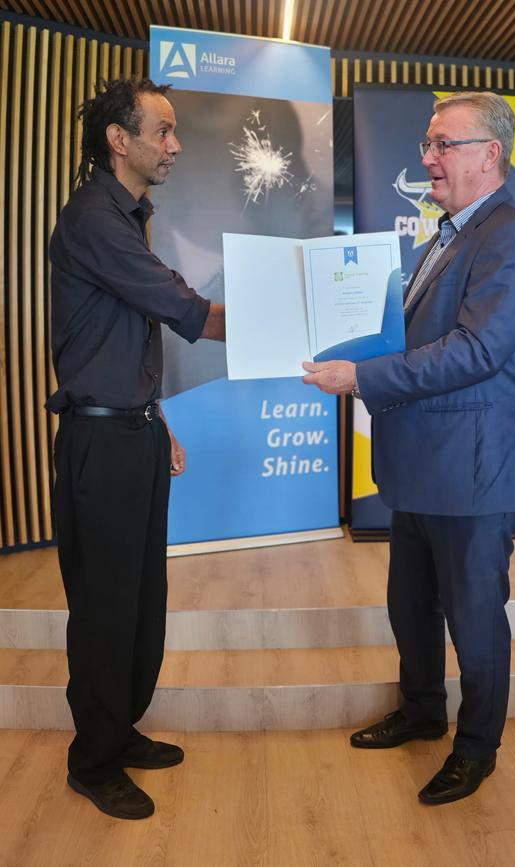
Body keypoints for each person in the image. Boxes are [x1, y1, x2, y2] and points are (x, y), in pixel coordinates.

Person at [303, 91, 515, 805]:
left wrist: (363, 375)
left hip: (473, 471)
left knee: (474, 620)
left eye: (444, 144)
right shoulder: (445, 236)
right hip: (420, 466)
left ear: (490, 155)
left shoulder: (511, 237)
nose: (427, 158)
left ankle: (477, 747)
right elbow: (412, 339)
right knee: (410, 606)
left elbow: (476, 351)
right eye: (427, 143)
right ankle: (421, 710)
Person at [46, 78, 225, 820]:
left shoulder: (127, 214)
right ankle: (93, 760)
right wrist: (286, 322)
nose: (175, 144)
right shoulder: (94, 218)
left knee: (142, 598)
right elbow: (179, 307)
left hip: (135, 429)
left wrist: (157, 416)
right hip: (100, 440)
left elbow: (124, 337)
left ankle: (119, 732)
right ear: (120, 140)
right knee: (106, 607)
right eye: (164, 130)